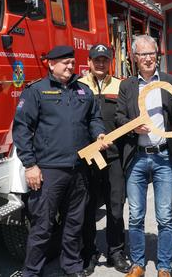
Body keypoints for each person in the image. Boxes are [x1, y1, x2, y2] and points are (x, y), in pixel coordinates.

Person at [13, 45, 108, 277]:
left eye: (71, 62)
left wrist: (99, 133)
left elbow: (94, 118)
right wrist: (30, 165)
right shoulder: (36, 91)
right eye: (64, 62)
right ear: (51, 64)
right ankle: (31, 271)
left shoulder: (83, 91)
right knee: (42, 226)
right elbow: (22, 128)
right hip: (48, 171)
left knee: (74, 223)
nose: (69, 66)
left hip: (79, 169)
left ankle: (71, 266)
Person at [115, 35, 172, 277]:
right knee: (135, 215)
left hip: (163, 157)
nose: (147, 58)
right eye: (142, 54)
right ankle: (137, 264)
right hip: (136, 157)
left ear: (157, 55)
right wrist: (133, 126)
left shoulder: (171, 82)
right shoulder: (126, 86)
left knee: (164, 215)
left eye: (151, 53)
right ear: (134, 58)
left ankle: (164, 266)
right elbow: (119, 118)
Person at [79, 44, 132, 275]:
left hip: (114, 157)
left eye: (104, 60)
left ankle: (116, 252)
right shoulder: (78, 86)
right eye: (96, 60)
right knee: (87, 207)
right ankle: (88, 253)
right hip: (88, 158)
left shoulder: (120, 85)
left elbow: (128, 117)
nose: (100, 64)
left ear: (110, 62)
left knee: (116, 206)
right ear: (89, 61)